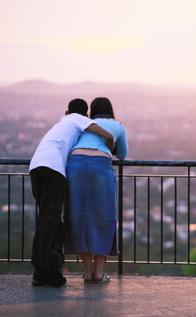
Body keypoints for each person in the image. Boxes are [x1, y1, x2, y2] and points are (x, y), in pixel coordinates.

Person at [29, 98, 114, 287]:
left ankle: (52, 267)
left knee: (49, 219)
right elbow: (106, 135)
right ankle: (40, 270)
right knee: (49, 220)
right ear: (85, 114)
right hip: (53, 169)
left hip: (36, 167)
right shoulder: (79, 119)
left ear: (65, 112)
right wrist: (109, 149)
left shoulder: (62, 122)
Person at [64, 97, 128, 283]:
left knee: (78, 215)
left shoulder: (86, 123)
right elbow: (122, 155)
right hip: (100, 165)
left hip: (75, 163)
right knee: (103, 216)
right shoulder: (118, 125)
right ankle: (99, 273)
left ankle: (88, 272)